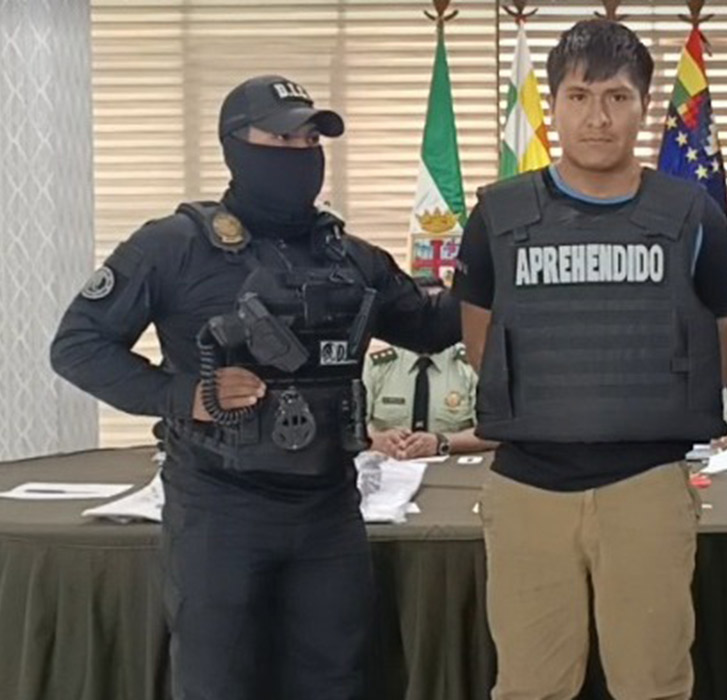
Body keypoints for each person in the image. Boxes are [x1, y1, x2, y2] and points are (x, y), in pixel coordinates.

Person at [49, 74, 460, 700]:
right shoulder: (173, 246)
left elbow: (432, 327)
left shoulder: (350, 256)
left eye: (310, 141)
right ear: (235, 145)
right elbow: (78, 346)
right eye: (282, 138)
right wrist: (186, 394)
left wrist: (491, 257)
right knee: (220, 685)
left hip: (328, 511)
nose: (300, 153)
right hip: (220, 511)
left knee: (337, 683)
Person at [453, 19, 727, 700]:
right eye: (579, 97)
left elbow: (724, 352)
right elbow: (482, 345)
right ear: (553, 105)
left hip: (646, 486)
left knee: (652, 685)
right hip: (527, 489)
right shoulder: (498, 216)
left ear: (644, 107)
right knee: (530, 687)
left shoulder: (694, 216)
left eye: (617, 97)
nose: (598, 117)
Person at [364, 277, 494, 458]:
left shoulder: (470, 364)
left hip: (451, 469)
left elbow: (493, 434)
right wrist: (376, 440)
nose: (428, 323)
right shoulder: (377, 365)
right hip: (389, 467)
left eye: (436, 313)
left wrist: (442, 442)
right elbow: (348, 428)